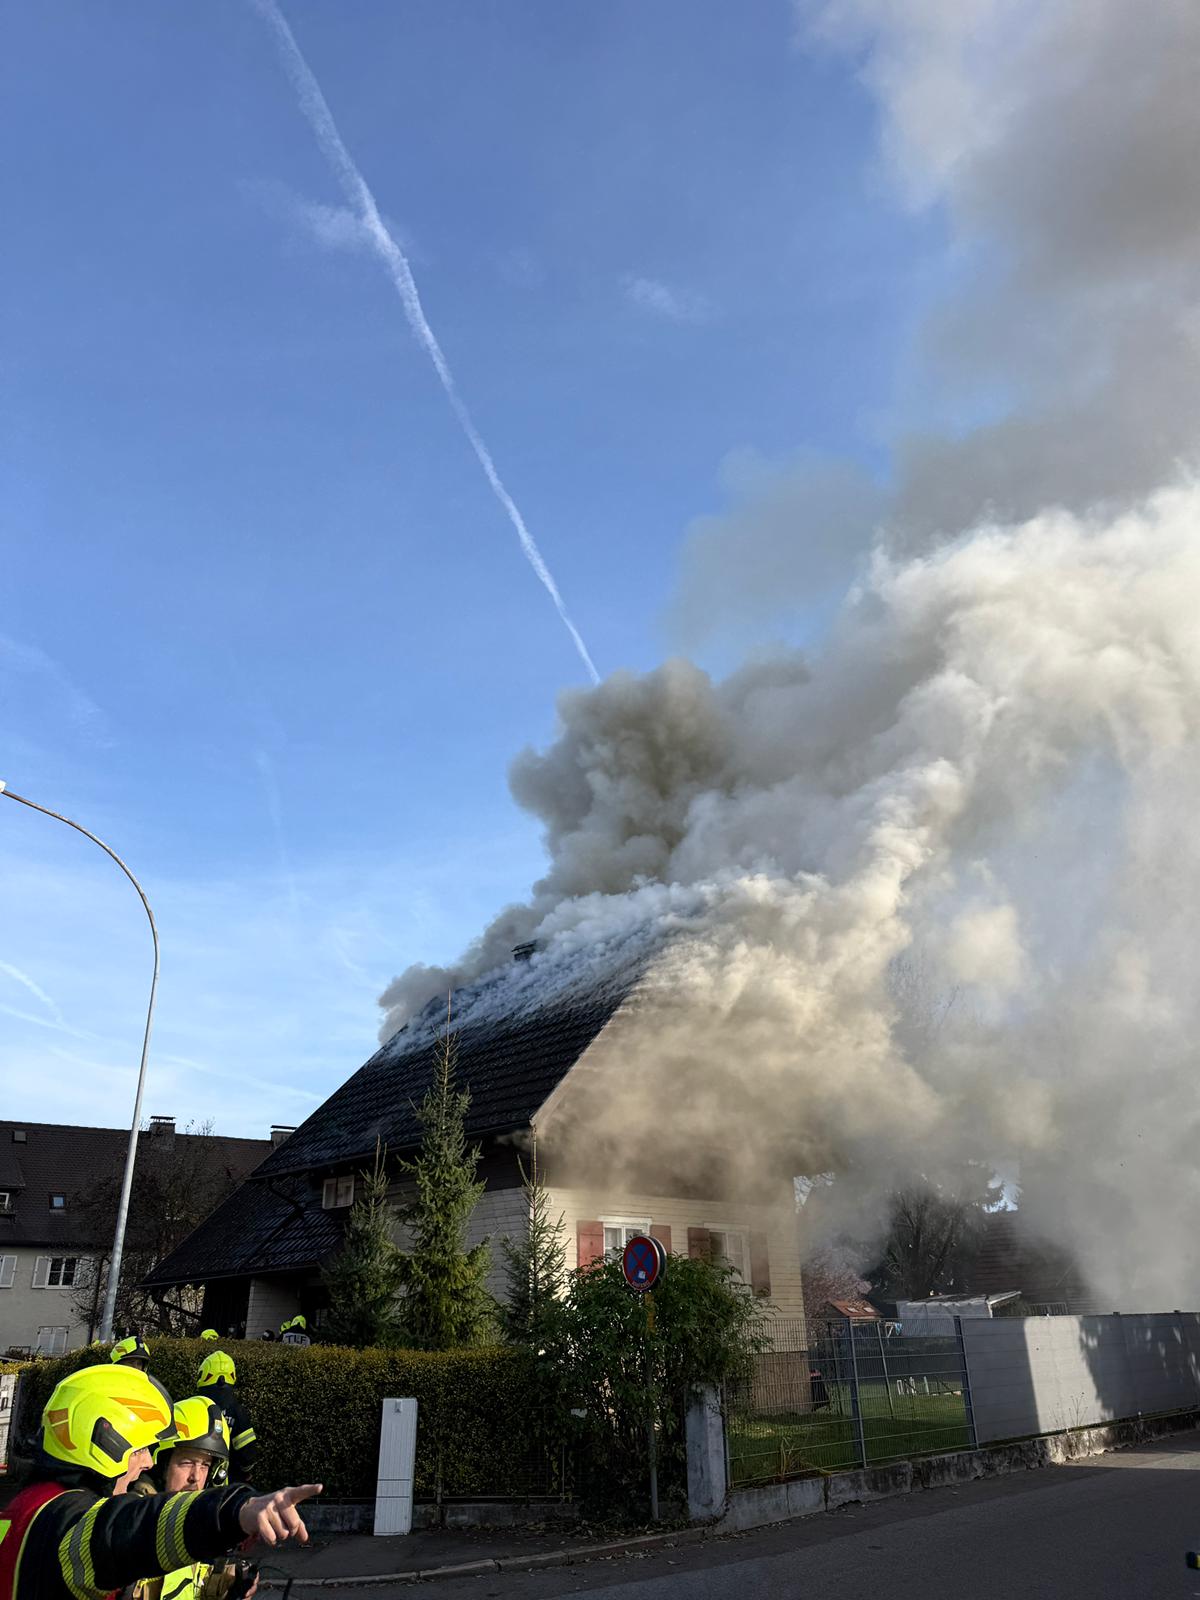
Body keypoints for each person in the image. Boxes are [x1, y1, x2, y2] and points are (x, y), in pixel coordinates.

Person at [0, 1363, 320, 1600]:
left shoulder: (31, 1506)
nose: (149, 1462)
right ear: (102, 1443)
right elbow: (130, 1528)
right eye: (140, 1448)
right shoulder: (66, 1523)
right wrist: (234, 1511)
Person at [127, 1396, 257, 1599]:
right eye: (187, 1462)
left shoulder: (189, 1522)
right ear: (162, 1466)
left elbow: (183, 1585)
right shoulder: (133, 1523)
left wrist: (222, 1585)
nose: (195, 1477)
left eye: (205, 1465)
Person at [197, 1352, 257, 1483]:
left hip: (197, 1476)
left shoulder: (194, 1406)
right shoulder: (237, 1411)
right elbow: (248, 1455)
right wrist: (244, 1473)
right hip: (227, 1481)